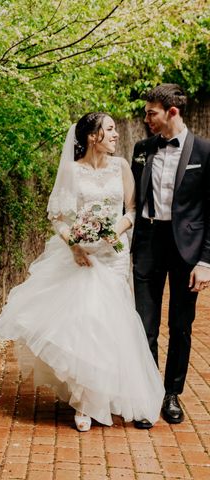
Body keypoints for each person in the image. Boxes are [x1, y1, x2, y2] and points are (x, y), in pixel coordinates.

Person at [0, 112, 164, 432]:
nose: (115, 134)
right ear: (92, 136)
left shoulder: (122, 166)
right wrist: (75, 245)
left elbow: (131, 209)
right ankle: (86, 402)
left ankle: (104, 394)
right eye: (109, 129)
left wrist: (116, 230)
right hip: (82, 258)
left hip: (113, 257)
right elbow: (57, 215)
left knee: (110, 326)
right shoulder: (72, 171)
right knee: (87, 325)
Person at [131, 84, 210, 429]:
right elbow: (128, 202)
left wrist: (206, 262)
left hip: (186, 250)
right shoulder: (142, 149)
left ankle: (171, 395)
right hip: (148, 243)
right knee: (144, 325)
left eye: (152, 113)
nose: (146, 119)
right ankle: (146, 395)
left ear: (172, 112)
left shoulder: (205, 152)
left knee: (180, 327)